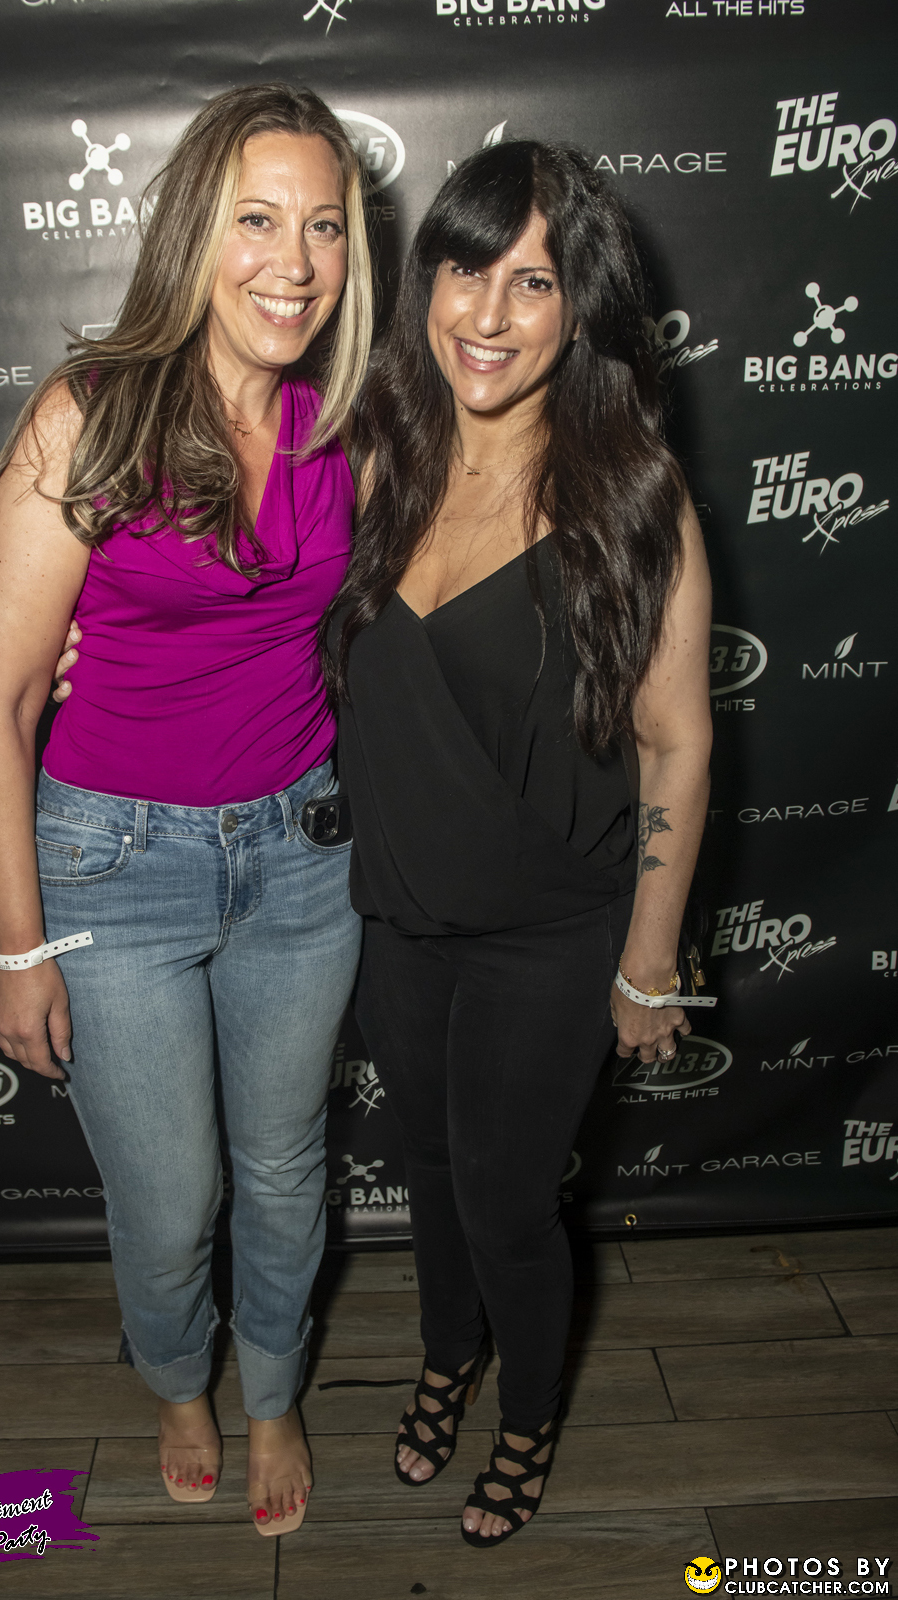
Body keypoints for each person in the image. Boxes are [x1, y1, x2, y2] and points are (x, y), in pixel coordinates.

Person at [0, 83, 372, 1536]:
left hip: (301, 857)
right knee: (170, 1193)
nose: (294, 261)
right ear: (197, 230)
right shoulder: (89, 415)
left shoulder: (350, 423)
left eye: (325, 225)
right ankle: (177, 1378)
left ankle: (273, 1389)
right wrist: (17, 948)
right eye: (258, 219)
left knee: (286, 1166)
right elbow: (0, 705)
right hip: (112, 867)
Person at [326, 140, 712, 1547]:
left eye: (532, 282)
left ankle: (529, 1414)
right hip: (398, 912)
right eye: (465, 268)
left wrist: (648, 966)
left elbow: (676, 743)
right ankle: (447, 1356)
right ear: (425, 280)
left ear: (581, 305)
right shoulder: (373, 454)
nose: (486, 314)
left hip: (551, 932)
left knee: (503, 1200)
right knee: (430, 1173)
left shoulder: (633, 497)